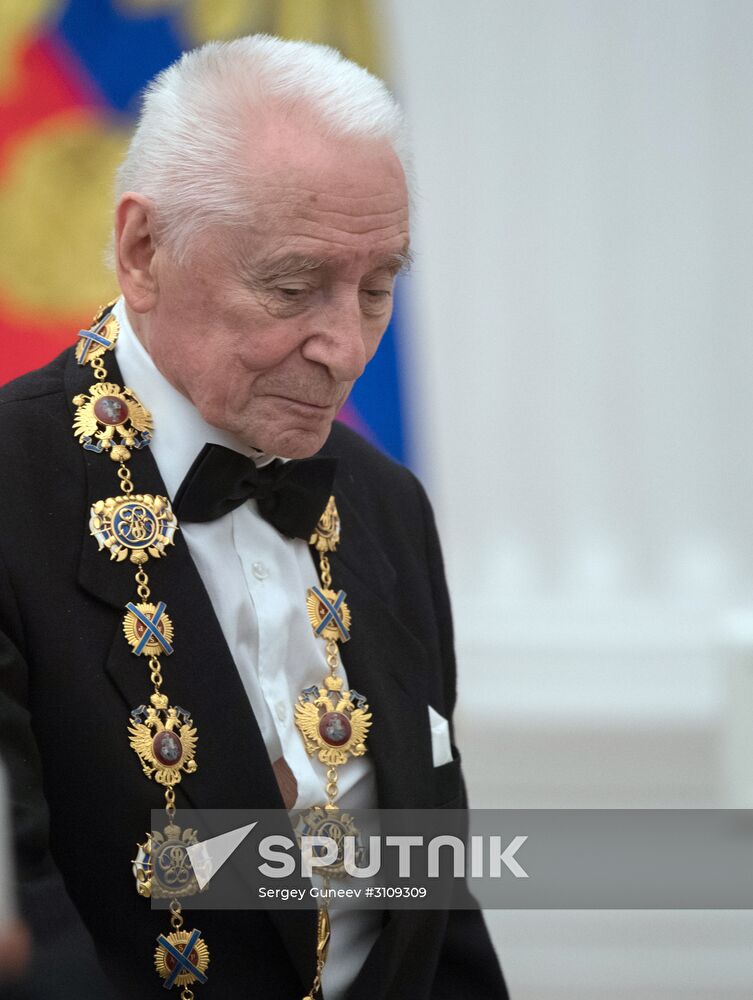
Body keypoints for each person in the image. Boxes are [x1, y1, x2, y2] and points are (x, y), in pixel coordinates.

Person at [0, 35, 508, 999]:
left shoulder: (385, 503)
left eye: (376, 287)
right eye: (291, 286)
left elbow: (432, 905)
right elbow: (27, 935)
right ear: (142, 250)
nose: (345, 347)